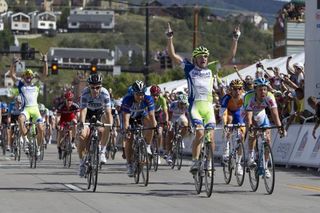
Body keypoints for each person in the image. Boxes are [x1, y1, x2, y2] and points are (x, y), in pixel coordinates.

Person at [166, 22, 241, 173]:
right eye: (200, 57)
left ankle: (209, 162)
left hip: (208, 107)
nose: (204, 59)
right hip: (195, 107)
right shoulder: (188, 68)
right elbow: (173, 55)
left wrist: (235, 39)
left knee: (211, 137)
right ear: (195, 59)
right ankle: (195, 162)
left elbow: (230, 56)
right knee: (200, 133)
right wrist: (169, 38)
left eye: (206, 56)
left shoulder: (212, 68)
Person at [244, 78, 285, 178]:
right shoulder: (249, 97)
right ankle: (251, 157)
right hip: (248, 113)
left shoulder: (270, 97)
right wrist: (250, 127)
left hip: (261, 113)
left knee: (267, 139)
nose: (263, 92)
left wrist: (280, 127)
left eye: (265, 89)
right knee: (253, 133)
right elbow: (249, 116)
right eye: (260, 89)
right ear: (255, 90)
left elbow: (275, 114)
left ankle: (265, 167)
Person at [9, 56, 48, 156]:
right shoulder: (21, 84)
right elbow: (12, 75)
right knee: (20, 119)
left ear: (32, 77)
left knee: (41, 128)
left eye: (30, 75)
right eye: (26, 75)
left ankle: (38, 147)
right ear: (24, 77)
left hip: (35, 109)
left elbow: (45, 75)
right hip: (26, 109)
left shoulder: (36, 84)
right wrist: (13, 64)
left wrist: (45, 62)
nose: (28, 77)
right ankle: (26, 141)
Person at [78, 73, 113, 177]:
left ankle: (102, 151)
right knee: (82, 136)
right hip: (87, 113)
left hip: (99, 113)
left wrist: (110, 125)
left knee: (106, 127)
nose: (95, 90)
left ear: (100, 87)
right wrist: (82, 123)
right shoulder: (85, 93)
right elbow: (83, 110)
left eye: (97, 87)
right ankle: (81, 163)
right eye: (92, 87)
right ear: (89, 86)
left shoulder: (105, 93)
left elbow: (108, 112)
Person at [121, 80, 157, 177]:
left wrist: (154, 127)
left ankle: (148, 146)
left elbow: (152, 115)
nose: (140, 97)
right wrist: (127, 129)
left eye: (142, 94)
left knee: (151, 125)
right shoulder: (127, 99)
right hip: (130, 118)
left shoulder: (148, 99)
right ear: (133, 93)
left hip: (141, 116)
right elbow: (126, 118)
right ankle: (129, 164)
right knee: (129, 139)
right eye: (137, 94)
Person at [219, 79, 246, 176]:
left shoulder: (244, 96)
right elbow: (222, 112)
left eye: (239, 88)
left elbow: (249, 110)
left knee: (242, 135)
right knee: (229, 121)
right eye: (235, 89)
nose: (237, 91)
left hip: (238, 113)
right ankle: (226, 148)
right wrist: (224, 123)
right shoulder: (227, 97)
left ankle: (238, 164)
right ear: (231, 89)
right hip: (228, 112)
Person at [56, 90, 80, 159]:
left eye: (71, 100)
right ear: (65, 100)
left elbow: (78, 114)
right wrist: (57, 124)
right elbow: (58, 116)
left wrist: (79, 120)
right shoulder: (61, 106)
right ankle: (59, 148)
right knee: (60, 132)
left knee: (75, 123)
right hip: (63, 120)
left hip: (71, 119)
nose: (69, 102)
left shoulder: (75, 106)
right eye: (68, 100)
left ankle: (72, 141)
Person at [167, 93, 189, 164]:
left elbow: (189, 115)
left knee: (186, 125)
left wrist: (190, 125)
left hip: (181, 116)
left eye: (184, 104)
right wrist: (169, 122)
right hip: (173, 117)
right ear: (178, 102)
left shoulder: (187, 105)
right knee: (170, 134)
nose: (183, 105)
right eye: (181, 103)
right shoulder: (173, 104)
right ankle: (169, 154)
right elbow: (169, 113)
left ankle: (180, 139)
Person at [149, 84, 169, 163]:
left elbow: (166, 112)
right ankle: (148, 146)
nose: (155, 97)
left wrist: (166, 120)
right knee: (149, 130)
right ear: (151, 94)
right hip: (150, 114)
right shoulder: (148, 99)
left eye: (157, 95)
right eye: (153, 95)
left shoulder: (162, 99)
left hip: (159, 114)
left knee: (160, 133)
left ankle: (157, 152)